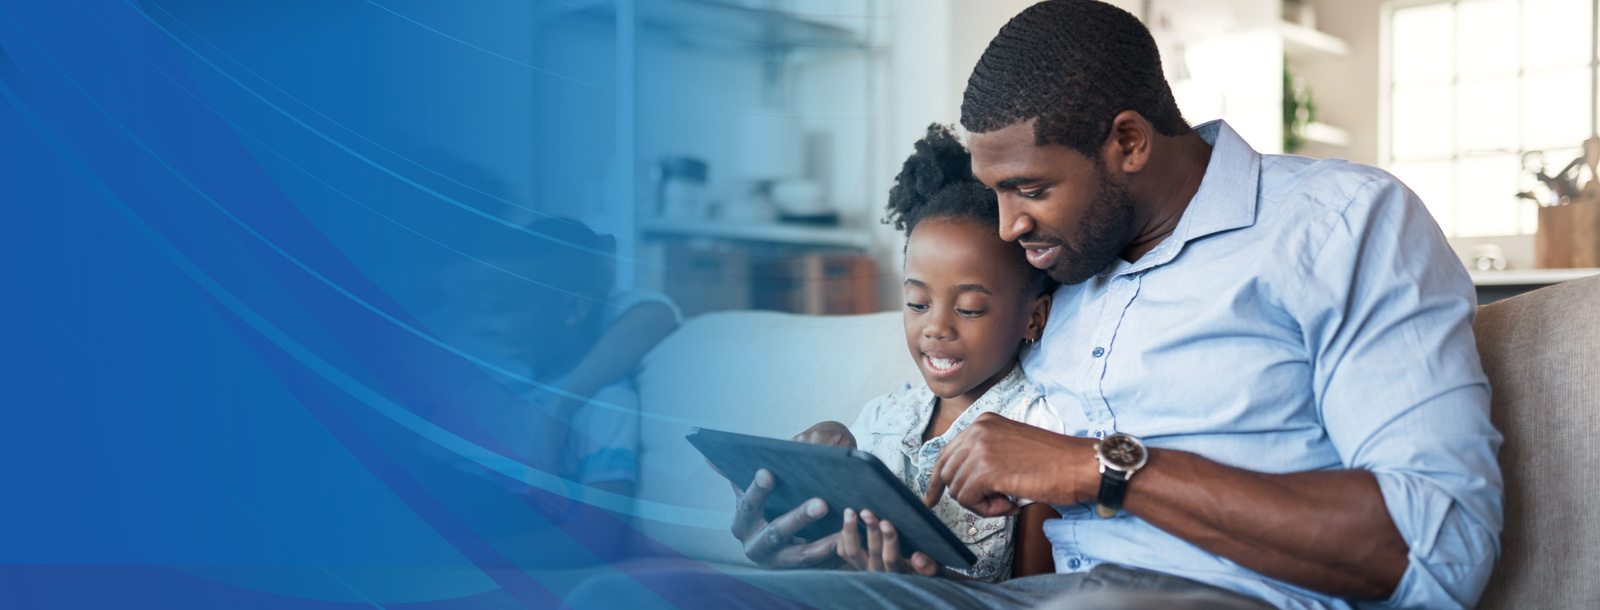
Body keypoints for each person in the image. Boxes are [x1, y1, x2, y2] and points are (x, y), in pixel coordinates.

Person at [572, 1, 1501, 608]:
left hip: (1211, 598)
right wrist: (865, 547)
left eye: (1028, 190)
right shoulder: (1058, 275)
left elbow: (1437, 548)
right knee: (633, 595)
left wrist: (1096, 467)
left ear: (1128, 142)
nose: (1009, 227)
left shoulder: (1340, 224)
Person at [787, 124, 1063, 582]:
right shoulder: (882, 418)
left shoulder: (1037, 428)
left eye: (970, 308)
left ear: (1034, 317)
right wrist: (822, 463)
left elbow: (1037, 596)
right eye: (917, 303)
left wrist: (929, 582)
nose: (935, 327)